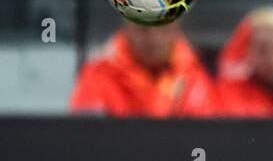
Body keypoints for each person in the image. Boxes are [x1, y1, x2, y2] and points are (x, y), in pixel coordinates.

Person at [69, 20, 214, 116]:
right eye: (143, 29)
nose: (154, 39)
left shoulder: (193, 75)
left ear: (176, 28)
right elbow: (84, 142)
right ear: (126, 26)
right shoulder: (97, 75)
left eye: (163, 27)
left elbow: (207, 138)